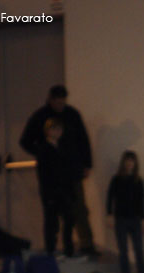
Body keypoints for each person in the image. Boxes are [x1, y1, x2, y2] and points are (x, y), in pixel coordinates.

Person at [20, 84, 98, 258]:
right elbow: (25, 140)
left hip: (72, 172)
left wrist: (87, 164)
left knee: (76, 210)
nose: (60, 105)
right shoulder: (40, 117)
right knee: (52, 214)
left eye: (63, 102)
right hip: (51, 177)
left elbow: (83, 140)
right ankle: (53, 248)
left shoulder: (72, 115)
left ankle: (84, 244)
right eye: (58, 102)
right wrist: (41, 152)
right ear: (51, 99)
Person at [106, 150, 144, 273]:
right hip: (121, 218)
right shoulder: (116, 180)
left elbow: (141, 201)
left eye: (132, 161)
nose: (129, 163)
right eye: (127, 160)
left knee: (138, 248)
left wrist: (143, 219)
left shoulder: (138, 181)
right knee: (123, 249)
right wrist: (109, 214)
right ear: (123, 162)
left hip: (135, 219)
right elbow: (110, 198)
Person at [35, 118, 75, 257]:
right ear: (48, 131)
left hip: (64, 190)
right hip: (51, 191)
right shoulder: (44, 149)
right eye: (54, 129)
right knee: (52, 222)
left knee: (69, 219)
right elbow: (43, 174)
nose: (57, 132)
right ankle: (51, 250)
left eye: (59, 129)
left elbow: (68, 170)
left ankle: (68, 250)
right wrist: (48, 193)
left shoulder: (63, 148)